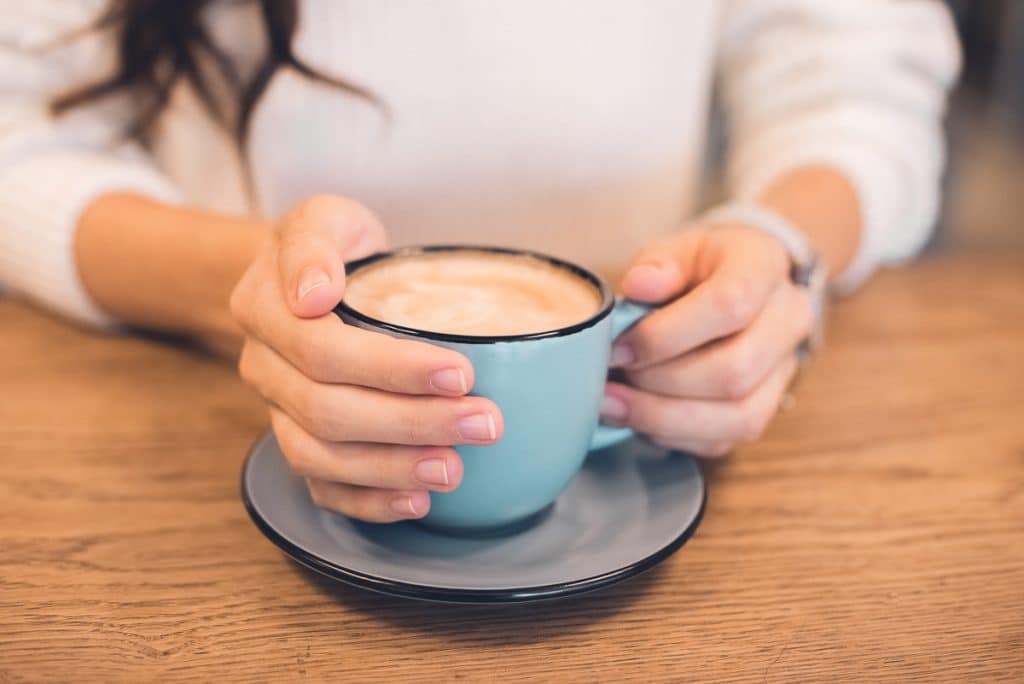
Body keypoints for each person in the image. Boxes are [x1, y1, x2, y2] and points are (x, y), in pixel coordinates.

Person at [0, 1, 959, 522]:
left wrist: (776, 254)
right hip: (206, 436)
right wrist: (252, 284)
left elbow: (854, 81)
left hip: (666, 462)